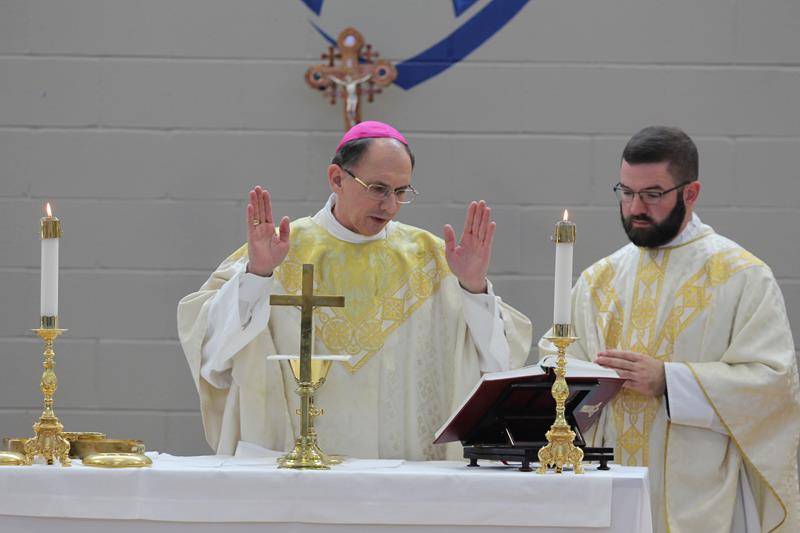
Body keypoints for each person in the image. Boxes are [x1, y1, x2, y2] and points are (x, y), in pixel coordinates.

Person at [178, 121, 532, 460]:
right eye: (378, 189)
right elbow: (214, 358)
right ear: (337, 178)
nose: (390, 205)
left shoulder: (433, 259)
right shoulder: (279, 250)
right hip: (296, 472)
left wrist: (473, 288)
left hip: (404, 474)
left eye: (401, 192)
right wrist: (257, 274)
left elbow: (496, 369)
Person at [540, 126, 800, 532]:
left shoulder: (742, 277)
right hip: (605, 493)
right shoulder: (598, 280)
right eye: (626, 192)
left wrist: (669, 380)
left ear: (691, 193)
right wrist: (582, 382)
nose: (635, 207)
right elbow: (554, 372)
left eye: (652, 194)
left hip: (695, 499)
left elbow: (773, 385)